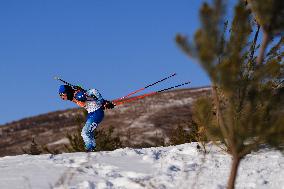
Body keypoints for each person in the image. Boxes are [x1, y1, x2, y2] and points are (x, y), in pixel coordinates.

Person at [58, 85, 114, 152]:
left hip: (96, 113)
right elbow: (90, 98)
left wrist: (101, 101)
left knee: (85, 133)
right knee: (88, 133)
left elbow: (93, 91)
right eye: (60, 95)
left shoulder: (78, 95)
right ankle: (92, 147)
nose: (62, 97)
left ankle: (90, 149)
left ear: (67, 92)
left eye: (63, 94)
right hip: (91, 113)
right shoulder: (73, 96)